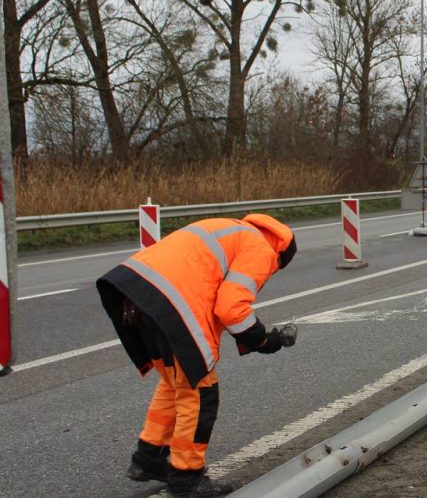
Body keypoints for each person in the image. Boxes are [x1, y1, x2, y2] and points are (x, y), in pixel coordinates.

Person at [96, 213, 298, 498]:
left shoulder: (231, 229)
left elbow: (211, 292)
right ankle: (186, 478)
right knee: (201, 392)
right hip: (170, 304)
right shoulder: (262, 250)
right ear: (281, 254)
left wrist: (250, 338)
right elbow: (230, 308)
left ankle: (148, 458)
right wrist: (263, 340)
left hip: (135, 294)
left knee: (174, 384)